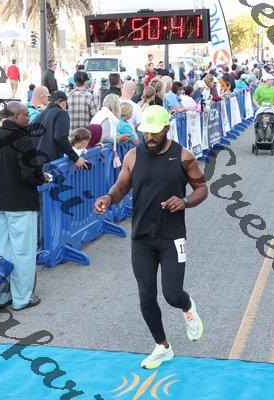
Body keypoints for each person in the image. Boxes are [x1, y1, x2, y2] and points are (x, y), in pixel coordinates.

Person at [93, 105, 208, 370]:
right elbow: (121, 186)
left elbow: (202, 188)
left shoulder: (184, 157)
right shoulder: (133, 156)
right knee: (146, 296)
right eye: (146, 132)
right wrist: (108, 198)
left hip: (172, 237)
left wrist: (185, 201)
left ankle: (187, 306)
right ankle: (162, 347)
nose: (150, 137)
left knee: (172, 294)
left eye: (155, 132)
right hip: (142, 238)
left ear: (167, 128)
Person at [0, 101, 48, 310]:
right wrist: (41, 178)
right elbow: (30, 174)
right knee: (23, 252)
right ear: (15, 116)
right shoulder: (23, 140)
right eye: (26, 115)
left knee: (2, 252)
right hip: (21, 203)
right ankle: (21, 298)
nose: (29, 118)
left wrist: (0, 181)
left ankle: (2, 295)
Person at [31, 90, 87, 168]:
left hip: (35, 162)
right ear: (63, 102)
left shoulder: (40, 115)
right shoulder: (61, 113)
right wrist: (76, 159)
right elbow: (61, 138)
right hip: (50, 164)